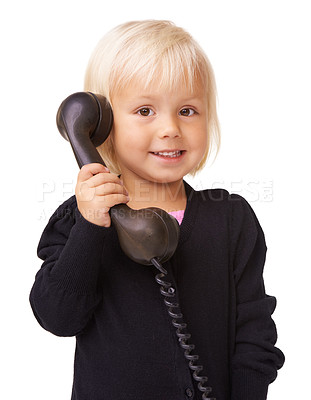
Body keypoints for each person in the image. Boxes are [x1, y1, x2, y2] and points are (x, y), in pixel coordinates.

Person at [30, 20, 284, 400]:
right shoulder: (78, 217)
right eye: (145, 110)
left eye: (187, 110)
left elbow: (254, 334)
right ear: (98, 125)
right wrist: (90, 226)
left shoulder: (231, 218)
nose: (170, 128)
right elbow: (58, 317)